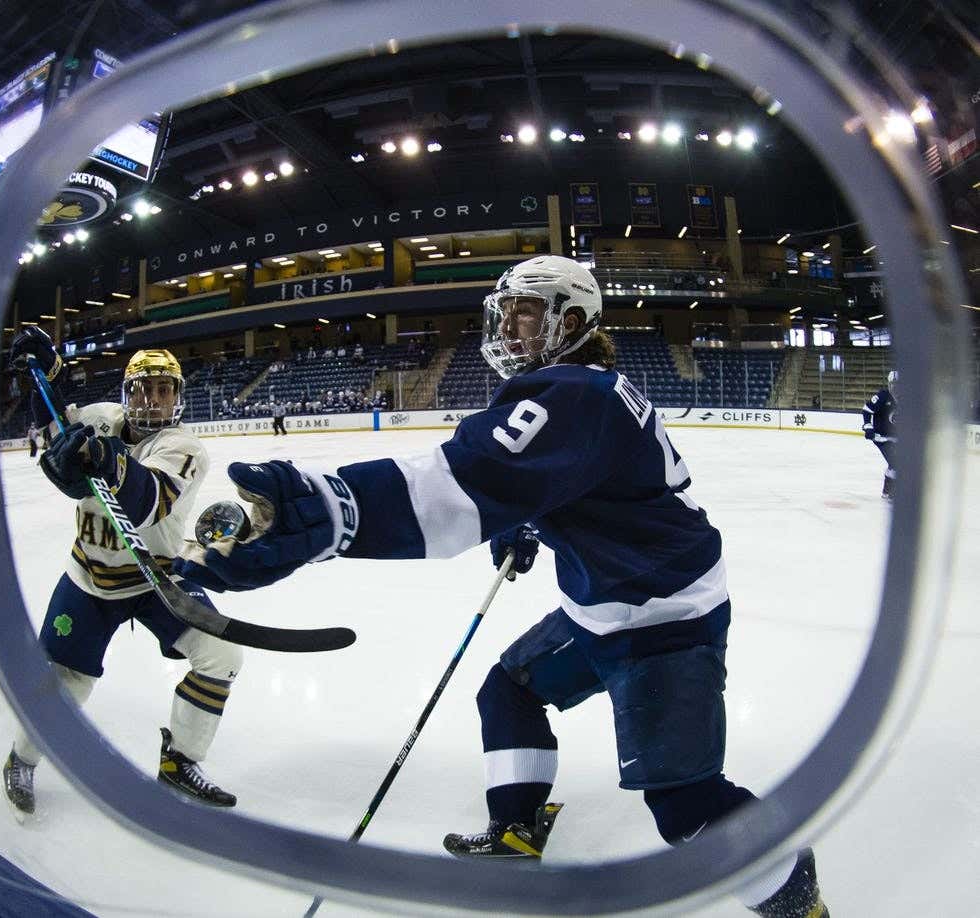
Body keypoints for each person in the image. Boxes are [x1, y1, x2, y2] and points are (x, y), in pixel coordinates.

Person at [177, 255, 829, 918]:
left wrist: (324, 510)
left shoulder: (574, 394)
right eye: (506, 311)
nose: (506, 324)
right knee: (510, 689)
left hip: (664, 621)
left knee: (687, 806)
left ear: (570, 320)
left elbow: (464, 481)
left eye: (523, 311)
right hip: (610, 600)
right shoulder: (586, 386)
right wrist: (531, 517)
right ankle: (516, 827)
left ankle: (796, 903)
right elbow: (570, 481)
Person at [2, 328, 242, 817]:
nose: (153, 398)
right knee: (68, 681)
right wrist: (42, 379)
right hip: (90, 578)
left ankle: (179, 762)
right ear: (127, 394)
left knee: (220, 654)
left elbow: (147, 502)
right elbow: (53, 433)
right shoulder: (100, 420)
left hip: (156, 579)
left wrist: (105, 460)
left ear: (177, 396)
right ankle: (21, 758)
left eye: (164, 389)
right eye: (142, 388)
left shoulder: (185, 448)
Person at [862, 369, 898, 500]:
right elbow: (867, 410)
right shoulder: (883, 396)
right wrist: (868, 426)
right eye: (894, 384)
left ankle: (887, 491)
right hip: (881, 438)